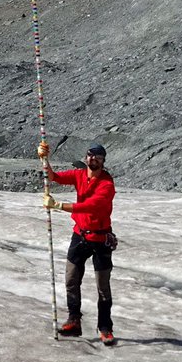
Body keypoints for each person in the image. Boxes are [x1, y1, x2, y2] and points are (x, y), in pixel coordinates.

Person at [37, 141, 117, 344]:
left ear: (103, 161)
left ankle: (105, 327)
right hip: (79, 235)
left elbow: (91, 206)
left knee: (102, 286)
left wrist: (58, 205)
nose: (93, 160)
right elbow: (54, 177)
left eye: (97, 158)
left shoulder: (107, 184)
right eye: (90, 156)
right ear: (86, 157)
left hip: (100, 238)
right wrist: (44, 159)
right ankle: (74, 320)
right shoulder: (79, 175)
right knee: (71, 279)